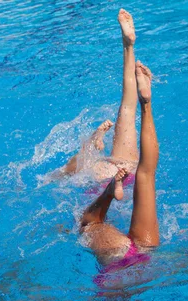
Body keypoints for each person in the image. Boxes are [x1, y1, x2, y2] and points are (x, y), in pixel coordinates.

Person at [80, 61, 158, 287]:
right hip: (117, 257)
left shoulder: (87, 170)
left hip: (144, 256)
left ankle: (146, 106)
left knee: (146, 175)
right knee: (88, 224)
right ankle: (146, 105)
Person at [59, 9, 140, 183]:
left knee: (65, 172)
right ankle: (128, 46)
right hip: (124, 172)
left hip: (108, 175)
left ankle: (90, 145)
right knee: (127, 109)